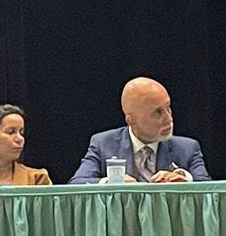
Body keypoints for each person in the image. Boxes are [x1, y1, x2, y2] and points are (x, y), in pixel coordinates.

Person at [68, 77, 210, 184]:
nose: (169, 118)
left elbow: (209, 188)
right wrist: (109, 183)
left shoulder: (188, 148)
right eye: (158, 112)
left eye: (168, 107)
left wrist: (184, 179)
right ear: (131, 120)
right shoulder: (102, 144)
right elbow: (77, 183)